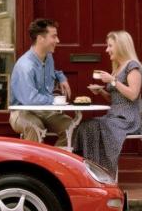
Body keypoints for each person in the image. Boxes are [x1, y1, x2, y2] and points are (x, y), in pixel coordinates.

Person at [74, 31, 142, 178]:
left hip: (128, 119)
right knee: (85, 126)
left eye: (110, 46)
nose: (107, 50)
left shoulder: (132, 66)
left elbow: (133, 94)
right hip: (114, 116)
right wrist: (102, 92)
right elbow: (116, 100)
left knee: (95, 126)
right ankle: (91, 169)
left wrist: (112, 81)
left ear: (121, 46)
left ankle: (104, 172)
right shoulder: (117, 67)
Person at [9, 18, 73, 146]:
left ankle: (55, 162)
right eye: (54, 37)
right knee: (35, 127)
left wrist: (61, 77)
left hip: (43, 109)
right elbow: (30, 99)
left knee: (70, 126)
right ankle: (34, 164)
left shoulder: (48, 57)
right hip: (21, 111)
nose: (58, 41)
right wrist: (55, 101)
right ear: (40, 38)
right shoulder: (25, 66)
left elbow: (51, 72)